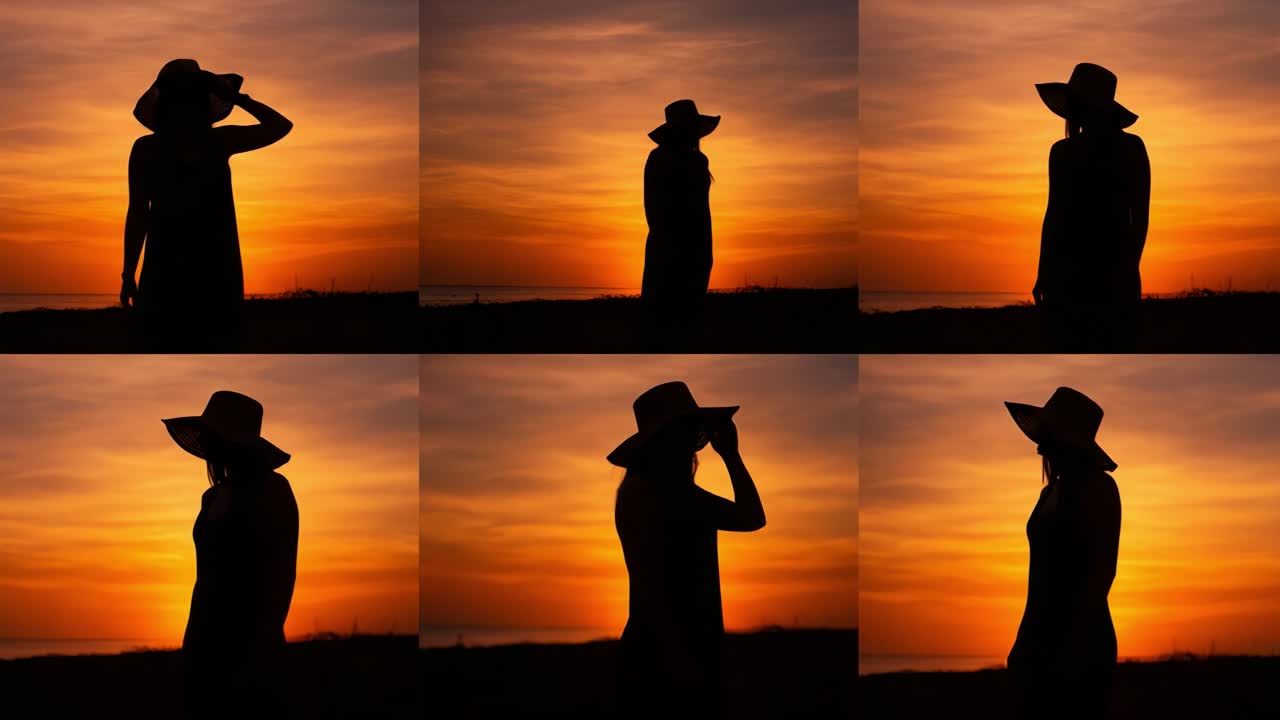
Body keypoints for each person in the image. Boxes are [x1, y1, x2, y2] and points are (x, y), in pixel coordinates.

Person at [609, 381, 766, 719]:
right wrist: (732, 455)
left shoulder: (637, 492)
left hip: (652, 649)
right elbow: (752, 516)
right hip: (677, 654)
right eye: (687, 430)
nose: (694, 441)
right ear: (667, 439)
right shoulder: (674, 496)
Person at [123, 59, 293, 350]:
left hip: (211, 264)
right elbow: (138, 212)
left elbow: (280, 126)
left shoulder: (218, 140)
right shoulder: (149, 148)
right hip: (172, 264)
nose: (185, 103)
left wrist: (237, 98)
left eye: (190, 95)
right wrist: (128, 273)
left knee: (207, 338)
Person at [164, 390, 299, 717]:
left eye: (211, 434)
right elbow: (204, 579)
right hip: (202, 640)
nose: (206, 442)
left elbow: (282, 575)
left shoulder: (273, 490)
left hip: (250, 642)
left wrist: (260, 651)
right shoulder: (210, 498)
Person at [1004, 387, 1121, 719]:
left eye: (1048, 435)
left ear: (1068, 439)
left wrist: (1073, 646)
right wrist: (1023, 639)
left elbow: (1102, 573)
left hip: (1080, 638)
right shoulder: (1049, 492)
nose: (1039, 445)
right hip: (1039, 635)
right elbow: (1038, 579)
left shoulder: (1099, 488)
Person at [1032, 63, 1151, 350]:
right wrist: (1043, 271)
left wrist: (1129, 267)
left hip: (1090, 267)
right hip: (1092, 267)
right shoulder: (1127, 148)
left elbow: (1055, 216)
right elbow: (1140, 215)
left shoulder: (1066, 152)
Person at [641, 100, 720, 349]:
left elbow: (698, 210)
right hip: (674, 246)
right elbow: (656, 208)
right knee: (672, 319)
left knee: (677, 320)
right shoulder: (669, 159)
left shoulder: (695, 160)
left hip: (686, 245)